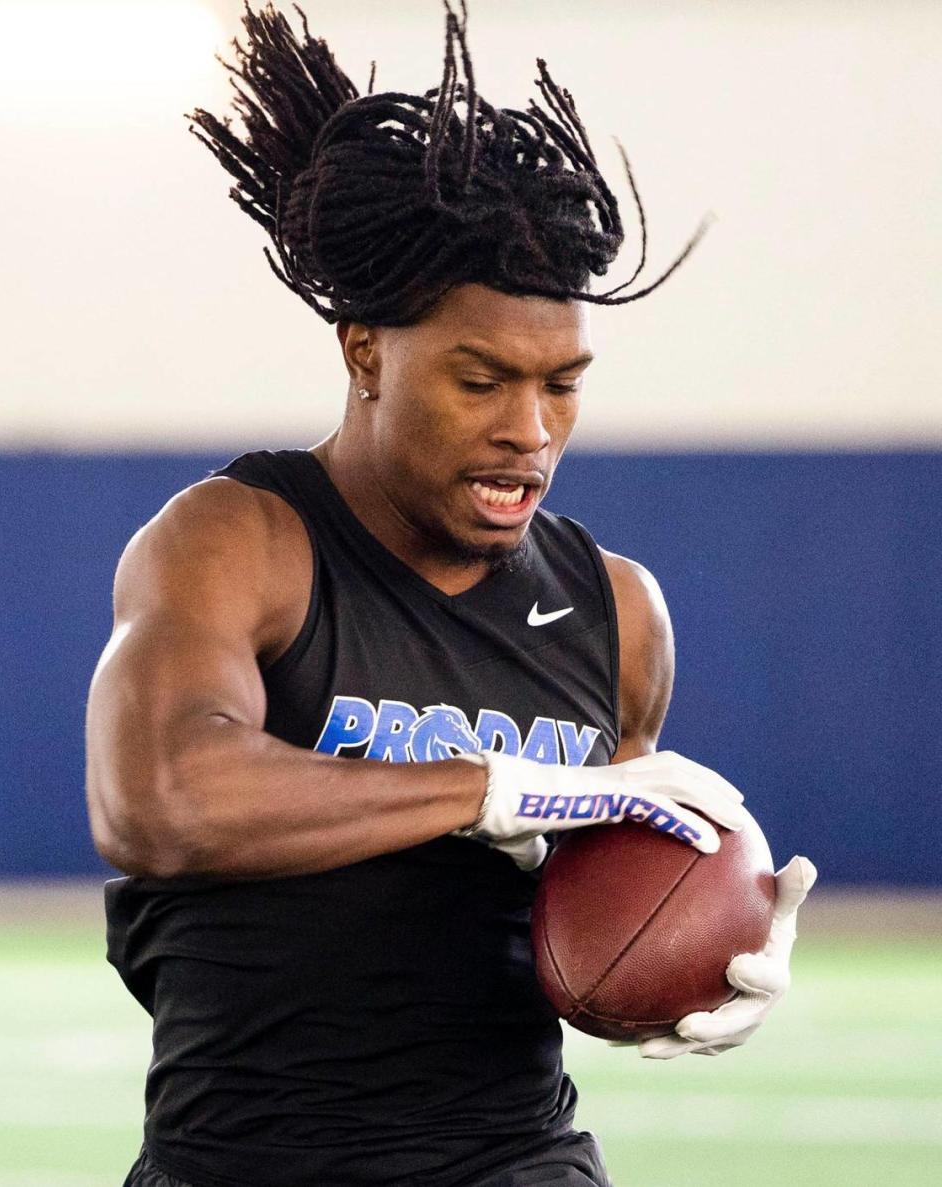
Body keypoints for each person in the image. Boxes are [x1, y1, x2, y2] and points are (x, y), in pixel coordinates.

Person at [85, 4, 816, 1185]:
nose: (529, 432)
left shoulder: (619, 610)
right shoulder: (240, 539)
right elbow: (160, 799)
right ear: (365, 350)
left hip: (515, 1156)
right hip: (242, 1160)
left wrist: (695, 952)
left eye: (563, 386)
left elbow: (584, 918)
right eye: (482, 380)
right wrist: (498, 784)